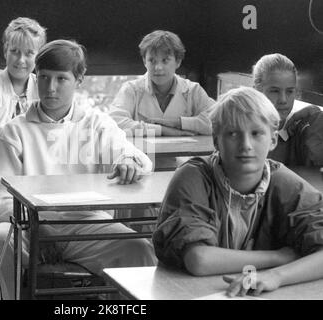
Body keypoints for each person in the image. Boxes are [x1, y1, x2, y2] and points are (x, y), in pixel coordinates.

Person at [0, 39, 157, 299]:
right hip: (25, 226)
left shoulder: (96, 124)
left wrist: (128, 161)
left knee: (138, 249)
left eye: (61, 79)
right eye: (44, 77)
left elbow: (135, 156)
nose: (50, 88)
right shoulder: (16, 130)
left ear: (79, 80)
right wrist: (37, 227)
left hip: (84, 225)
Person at [153, 87, 323, 297]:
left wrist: (275, 276)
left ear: (273, 140)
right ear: (216, 140)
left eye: (256, 133)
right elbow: (199, 259)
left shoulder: (286, 183)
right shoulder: (193, 176)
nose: (246, 145)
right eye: (233, 134)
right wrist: (281, 257)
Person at [109, 30, 215, 138]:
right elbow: (114, 124)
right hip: (141, 154)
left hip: (186, 154)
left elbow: (217, 122)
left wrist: (179, 123)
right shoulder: (131, 89)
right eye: (152, 60)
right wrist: (162, 130)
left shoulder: (193, 90)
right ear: (144, 61)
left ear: (178, 62)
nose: (158, 67)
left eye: (165, 60)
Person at [253, 53, 323, 166]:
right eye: (275, 91)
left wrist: (318, 123)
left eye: (290, 91)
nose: (283, 100)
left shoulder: (305, 130)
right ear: (256, 91)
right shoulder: (235, 131)